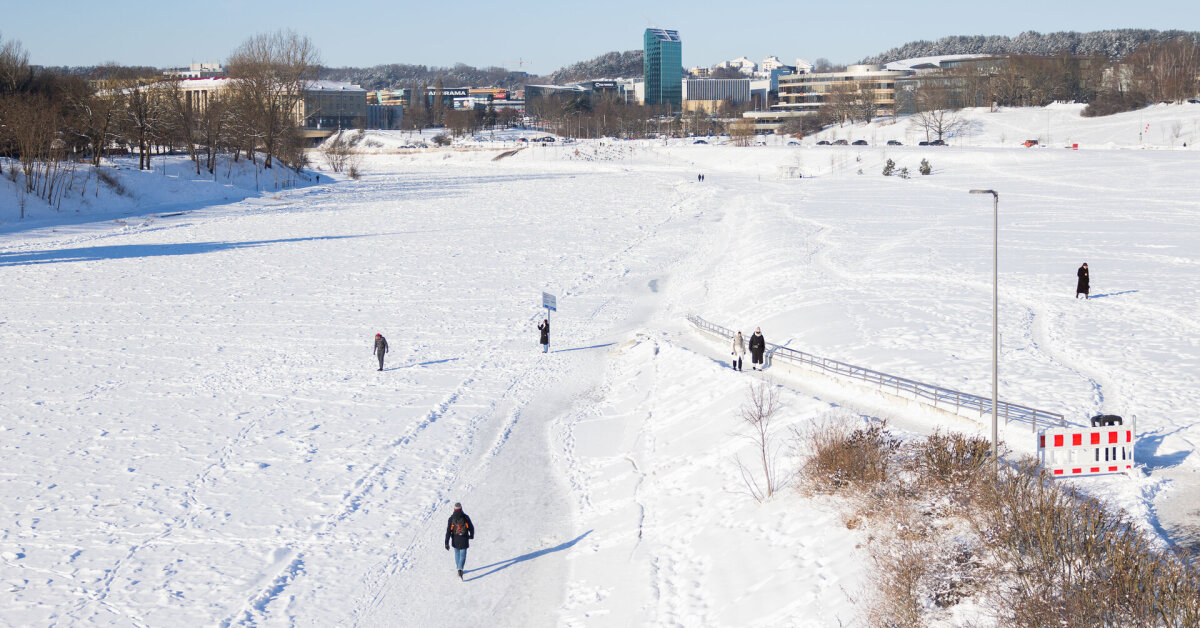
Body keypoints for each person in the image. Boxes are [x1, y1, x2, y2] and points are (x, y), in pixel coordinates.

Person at [444, 502, 475, 580]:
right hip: (464, 539)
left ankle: (458, 568)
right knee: (463, 556)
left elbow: (448, 531)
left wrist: (446, 543)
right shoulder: (466, 517)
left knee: (457, 554)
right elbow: (471, 527)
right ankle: (460, 569)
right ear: (461, 509)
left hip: (455, 539)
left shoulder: (451, 519)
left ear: (454, 509)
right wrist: (471, 535)